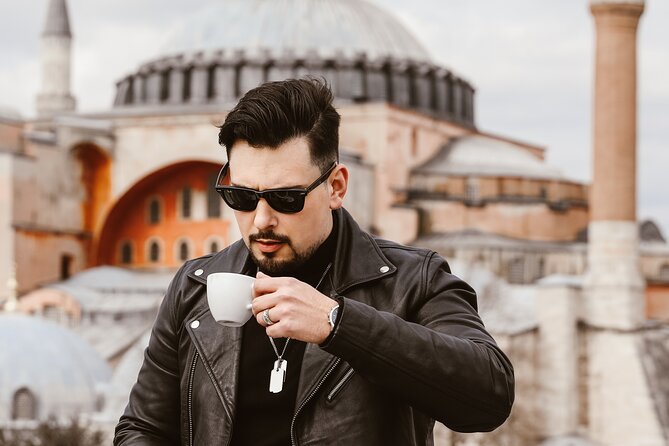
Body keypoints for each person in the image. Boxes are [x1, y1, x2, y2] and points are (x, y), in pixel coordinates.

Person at [114, 78, 514, 446]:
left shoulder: (412, 279)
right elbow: (143, 427)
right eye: (242, 197)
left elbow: (488, 395)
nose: (261, 220)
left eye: (286, 199)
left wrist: (339, 324)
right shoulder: (196, 285)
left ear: (336, 187)